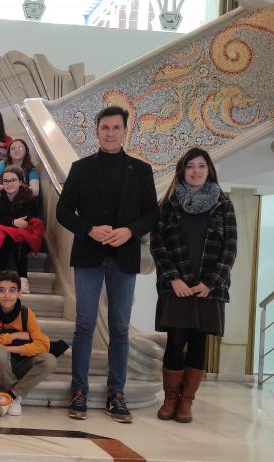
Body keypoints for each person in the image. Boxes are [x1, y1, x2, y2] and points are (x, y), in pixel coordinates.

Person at [56, 106, 158, 423]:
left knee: (120, 328)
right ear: (97, 131)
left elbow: (152, 214)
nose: (110, 133)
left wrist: (130, 231)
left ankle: (117, 394)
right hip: (89, 256)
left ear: (125, 131)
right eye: (105, 128)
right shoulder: (81, 168)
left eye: (116, 128)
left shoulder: (141, 170)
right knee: (85, 325)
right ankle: (79, 391)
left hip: (123, 258)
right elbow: (63, 211)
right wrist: (88, 229)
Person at [150, 148, 236, 423]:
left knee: (198, 344)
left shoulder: (224, 205)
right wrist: (174, 279)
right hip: (175, 287)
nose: (196, 171)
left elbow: (230, 249)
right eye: (190, 166)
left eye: (201, 166)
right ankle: (170, 399)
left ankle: (186, 402)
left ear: (209, 170)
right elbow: (158, 245)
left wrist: (210, 283)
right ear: (182, 170)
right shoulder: (168, 204)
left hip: (209, 289)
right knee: (175, 342)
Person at [0, 270, 56, 416]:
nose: (7, 295)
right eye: (1, 290)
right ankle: (14, 397)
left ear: (19, 293)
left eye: (12, 290)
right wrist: (13, 336)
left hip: (19, 363)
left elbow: (43, 345)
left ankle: (12, 395)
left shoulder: (26, 314)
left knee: (49, 360)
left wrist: (11, 349)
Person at [0, 167, 42, 294]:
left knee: (18, 240)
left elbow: (25, 222)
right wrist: (13, 222)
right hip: (4, 235)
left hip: (22, 238)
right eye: (6, 181)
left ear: (20, 182)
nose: (9, 184)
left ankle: (22, 278)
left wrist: (5, 221)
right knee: (5, 239)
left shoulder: (29, 198)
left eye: (13, 180)